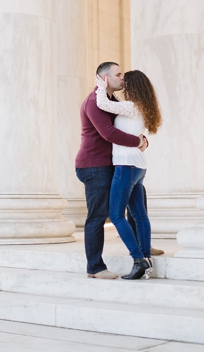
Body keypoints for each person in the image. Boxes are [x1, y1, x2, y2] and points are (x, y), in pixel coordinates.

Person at [74, 62, 147, 279]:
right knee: (98, 216)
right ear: (104, 78)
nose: (122, 78)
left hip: (114, 163)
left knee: (137, 204)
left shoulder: (111, 101)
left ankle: (143, 248)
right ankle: (95, 267)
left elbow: (126, 126)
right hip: (94, 165)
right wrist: (137, 142)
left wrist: (142, 140)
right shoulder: (94, 102)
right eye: (118, 74)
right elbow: (108, 133)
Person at [94, 69, 162, 280]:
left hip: (126, 166)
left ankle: (138, 259)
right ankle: (147, 258)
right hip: (138, 166)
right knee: (139, 215)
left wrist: (100, 87)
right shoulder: (141, 107)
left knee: (115, 215)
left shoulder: (131, 107)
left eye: (126, 81)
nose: (122, 83)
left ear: (133, 87)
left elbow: (103, 104)